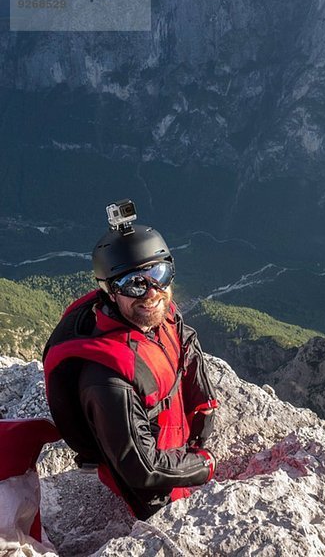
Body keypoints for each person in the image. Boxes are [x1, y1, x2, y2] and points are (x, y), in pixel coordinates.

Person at [43, 201, 218, 520]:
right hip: (154, 497)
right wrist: (204, 464)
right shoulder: (107, 380)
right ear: (110, 292)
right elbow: (144, 470)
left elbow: (184, 340)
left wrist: (204, 409)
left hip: (179, 455)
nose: (151, 292)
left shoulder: (158, 319)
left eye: (158, 274)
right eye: (133, 283)